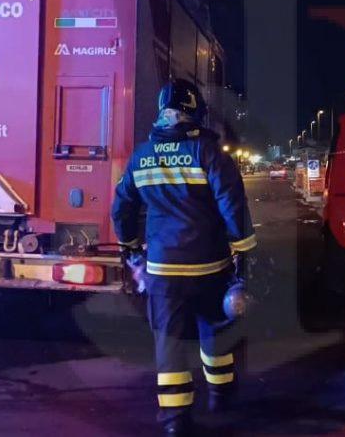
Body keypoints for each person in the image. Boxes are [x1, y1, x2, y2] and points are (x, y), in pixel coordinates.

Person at [112, 79, 256, 435]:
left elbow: (122, 208)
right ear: (195, 113)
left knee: (169, 342)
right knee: (215, 331)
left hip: (162, 270)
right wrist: (243, 251)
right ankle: (221, 395)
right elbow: (233, 205)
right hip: (210, 266)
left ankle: (175, 419)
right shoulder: (209, 153)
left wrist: (130, 246)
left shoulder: (142, 156)